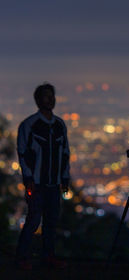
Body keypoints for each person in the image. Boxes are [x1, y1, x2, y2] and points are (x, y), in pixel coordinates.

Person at [15, 83, 70, 270]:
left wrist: (64, 178)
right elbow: (22, 153)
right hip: (37, 183)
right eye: (46, 96)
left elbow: (65, 153)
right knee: (33, 220)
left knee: (51, 221)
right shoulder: (29, 125)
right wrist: (28, 178)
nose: (50, 100)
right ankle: (22, 257)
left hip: (54, 183)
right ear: (38, 100)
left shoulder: (59, 125)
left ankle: (48, 256)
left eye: (52, 96)